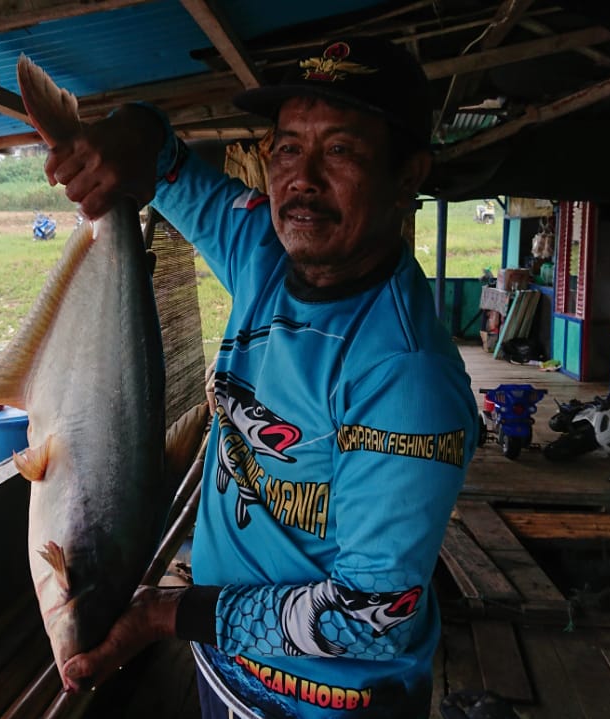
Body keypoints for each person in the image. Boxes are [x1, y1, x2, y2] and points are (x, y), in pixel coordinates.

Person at [47, 37, 478, 719]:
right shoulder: (264, 253)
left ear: (406, 178)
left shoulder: (404, 376)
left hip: (327, 705)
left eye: (340, 151)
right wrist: (126, 134)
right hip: (225, 671)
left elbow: (369, 614)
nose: (301, 177)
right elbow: (163, 161)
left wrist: (166, 616)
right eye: (285, 149)